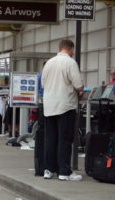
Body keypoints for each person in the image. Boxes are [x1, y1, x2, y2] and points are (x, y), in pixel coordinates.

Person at [41, 39, 83, 181]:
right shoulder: (70, 63)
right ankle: (64, 171)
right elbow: (78, 85)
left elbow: (43, 84)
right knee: (64, 140)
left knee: (50, 139)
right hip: (65, 106)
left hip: (49, 106)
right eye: (72, 50)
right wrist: (81, 90)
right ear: (71, 49)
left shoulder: (48, 64)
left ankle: (49, 169)